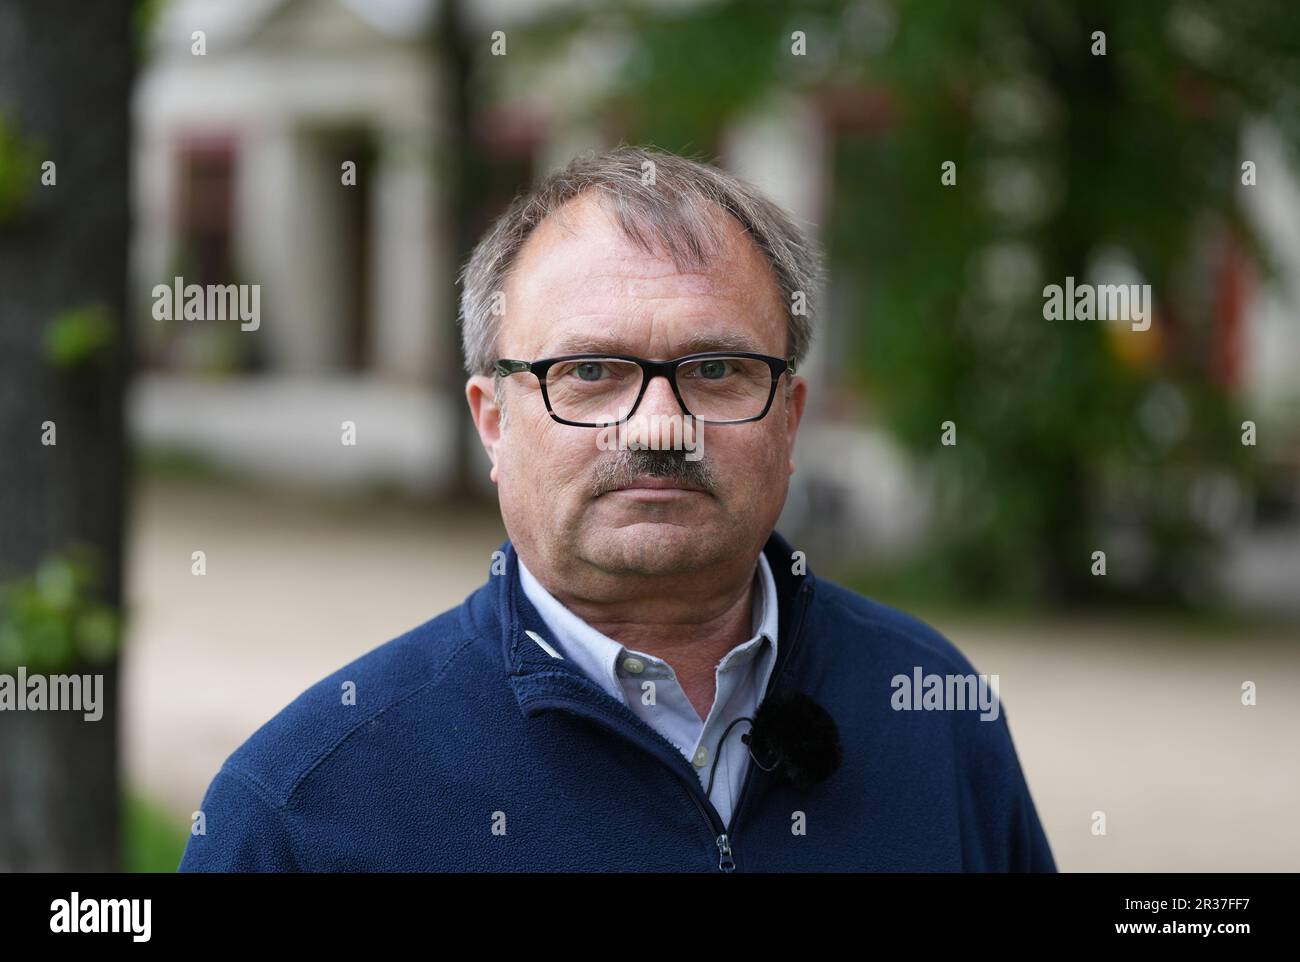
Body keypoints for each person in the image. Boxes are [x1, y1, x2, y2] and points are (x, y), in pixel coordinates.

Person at [178, 146, 1056, 872]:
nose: (662, 426)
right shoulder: (306, 809)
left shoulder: (931, 710)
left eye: (716, 370)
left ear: (789, 419)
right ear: (494, 421)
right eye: (590, 373)